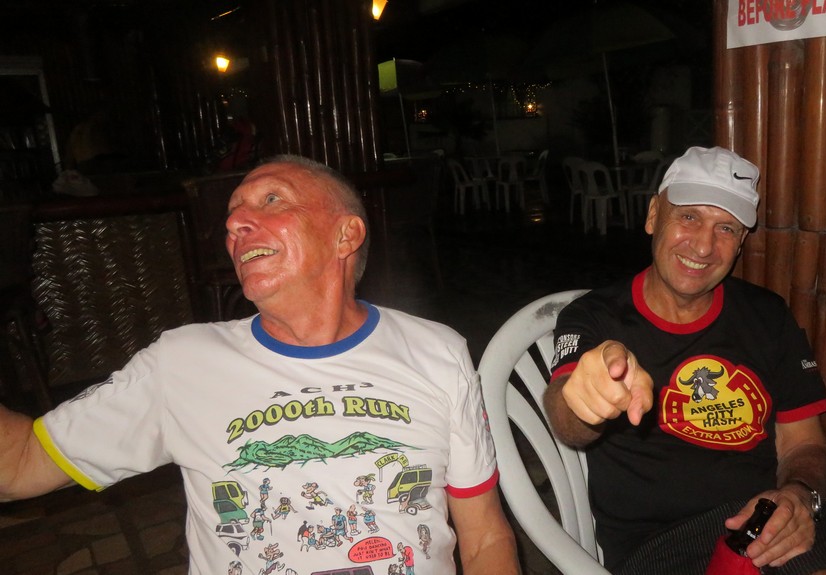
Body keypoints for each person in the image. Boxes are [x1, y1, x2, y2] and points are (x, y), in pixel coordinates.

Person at [0, 155, 520, 575]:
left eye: (273, 200)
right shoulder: (183, 363)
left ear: (345, 235)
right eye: (232, 214)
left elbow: (485, 538)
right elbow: (21, 464)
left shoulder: (437, 352)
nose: (233, 224)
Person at [543, 146, 826, 575]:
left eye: (726, 228)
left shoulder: (767, 315)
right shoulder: (594, 317)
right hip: (662, 543)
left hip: (769, 520)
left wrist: (798, 495)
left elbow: (805, 443)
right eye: (688, 217)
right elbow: (567, 418)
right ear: (653, 216)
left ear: (741, 242)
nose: (703, 246)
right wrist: (584, 401)